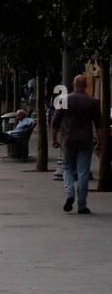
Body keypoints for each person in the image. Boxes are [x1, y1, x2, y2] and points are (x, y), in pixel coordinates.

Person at [52, 74, 103, 213]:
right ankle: (82, 205)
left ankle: (69, 193)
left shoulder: (64, 100)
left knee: (67, 168)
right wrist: (100, 142)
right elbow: (99, 125)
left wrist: (54, 140)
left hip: (68, 141)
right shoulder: (93, 101)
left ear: (73, 85)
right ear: (86, 85)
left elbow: (55, 123)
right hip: (85, 141)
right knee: (83, 173)